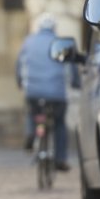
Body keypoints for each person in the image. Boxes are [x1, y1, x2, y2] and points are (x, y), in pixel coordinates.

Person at [16, 13, 72, 171]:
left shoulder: (29, 41)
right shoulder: (61, 42)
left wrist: (20, 82)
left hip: (33, 91)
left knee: (32, 112)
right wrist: (75, 83)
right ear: (54, 28)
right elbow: (72, 69)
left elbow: (19, 65)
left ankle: (31, 133)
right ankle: (60, 159)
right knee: (60, 124)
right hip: (57, 94)